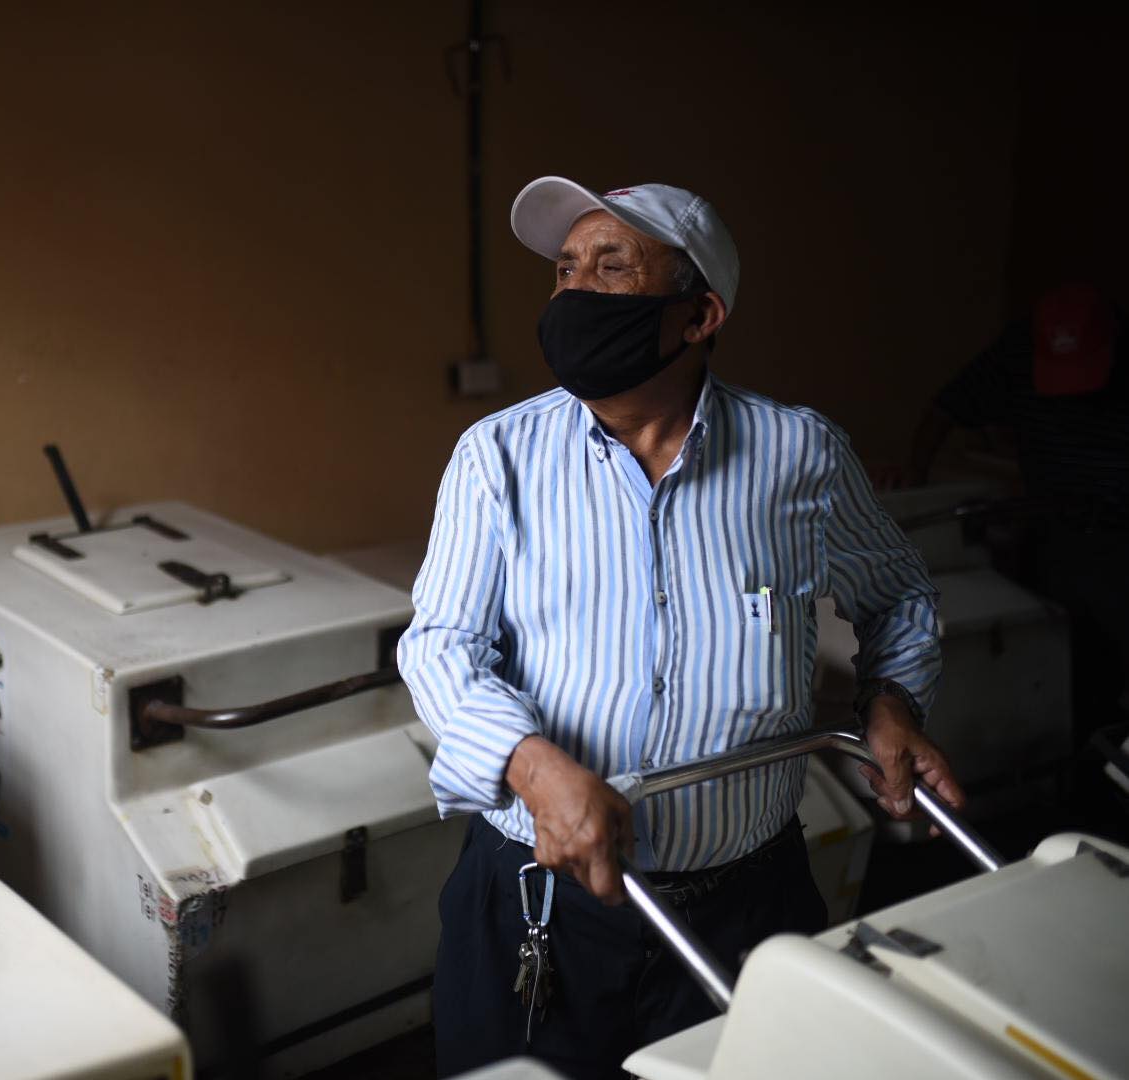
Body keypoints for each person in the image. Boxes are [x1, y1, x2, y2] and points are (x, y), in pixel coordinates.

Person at [397, 176, 965, 1078]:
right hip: (540, 901)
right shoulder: (496, 456)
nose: (575, 292)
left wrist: (891, 700)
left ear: (699, 315)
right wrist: (534, 767)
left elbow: (898, 594)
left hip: (747, 905)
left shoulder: (800, 456)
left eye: (611, 267)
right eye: (564, 269)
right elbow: (439, 645)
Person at [907, 283, 1129, 731]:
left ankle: (1098, 762)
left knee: (1108, 673)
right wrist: (916, 477)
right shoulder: (1017, 349)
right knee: (1047, 659)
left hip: (1117, 536)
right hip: (1050, 527)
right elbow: (948, 406)